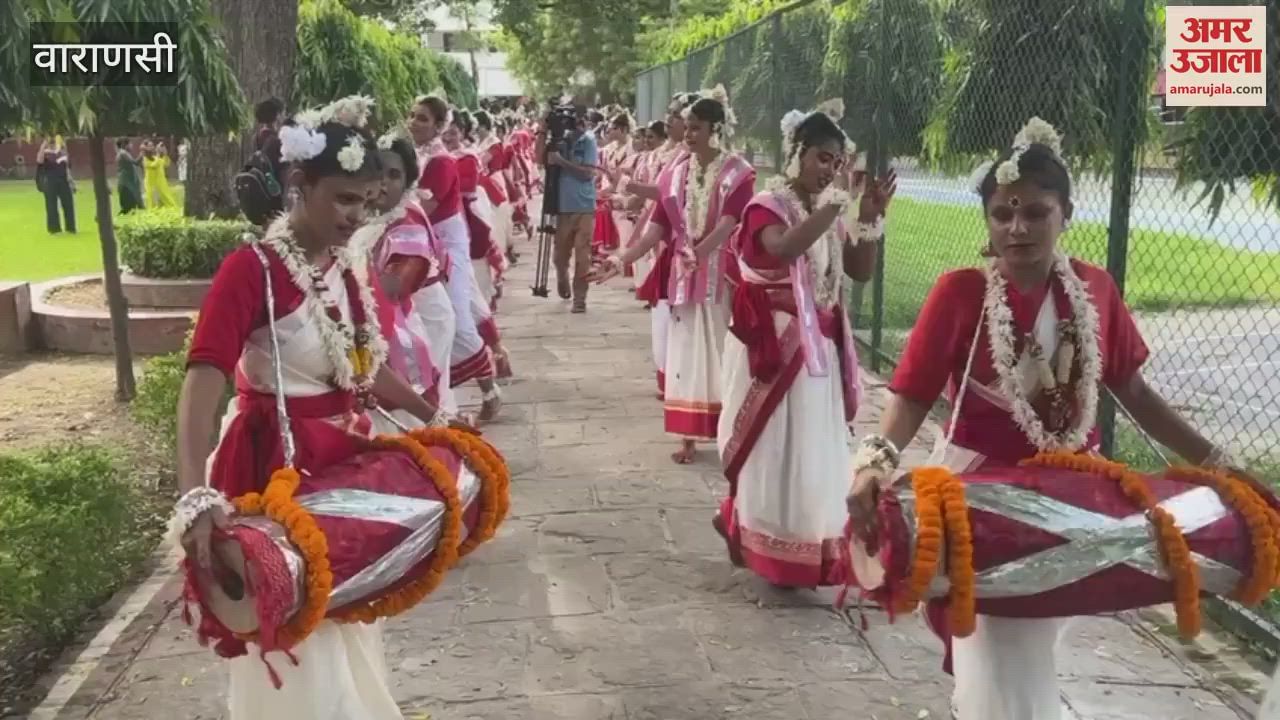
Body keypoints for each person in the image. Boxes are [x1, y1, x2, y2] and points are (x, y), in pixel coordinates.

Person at [845, 117, 1249, 720]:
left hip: (1072, 503)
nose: (1018, 228)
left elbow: (1133, 391)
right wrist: (873, 463)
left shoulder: (1095, 289)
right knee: (1006, 652)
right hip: (980, 501)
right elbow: (910, 398)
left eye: (1036, 212)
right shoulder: (961, 293)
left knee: (1021, 649)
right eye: (1002, 214)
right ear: (987, 222)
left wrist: (1217, 464)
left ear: (1066, 213)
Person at [172, 96, 444, 720]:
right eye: (343, 199)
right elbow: (203, 378)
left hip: (340, 463)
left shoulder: (347, 271)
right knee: (297, 636)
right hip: (274, 469)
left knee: (344, 619)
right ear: (300, 184)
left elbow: (365, 369)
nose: (357, 215)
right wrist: (194, 499)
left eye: (367, 200)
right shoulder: (253, 270)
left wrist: (432, 415)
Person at [713, 101, 895, 586]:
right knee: (774, 446)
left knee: (812, 448)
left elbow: (858, 272)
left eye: (836, 162)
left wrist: (869, 220)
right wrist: (836, 205)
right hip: (776, 347)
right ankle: (761, 538)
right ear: (796, 153)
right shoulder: (766, 206)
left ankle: (806, 544)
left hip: (819, 354)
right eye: (821, 157)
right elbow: (783, 248)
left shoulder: (824, 212)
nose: (829, 169)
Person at [594, 86, 755, 464]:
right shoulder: (676, 170)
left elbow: (732, 221)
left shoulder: (738, 172)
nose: (687, 134)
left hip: (723, 277)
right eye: (688, 127)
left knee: (724, 351)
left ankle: (733, 426)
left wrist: (699, 252)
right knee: (684, 351)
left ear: (716, 129)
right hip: (685, 278)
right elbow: (659, 227)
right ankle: (688, 434)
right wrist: (622, 259)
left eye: (696, 127)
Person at [408, 95, 503, 422]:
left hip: (444, 246)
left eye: (422, 118)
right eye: (412, 116)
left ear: (438, 126)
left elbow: (423, 210)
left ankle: (490, 388)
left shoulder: (441, 162)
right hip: (421, 243)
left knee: (456, 319)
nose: (414, 123)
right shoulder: (416, 156)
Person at [355, 127, 453, 429]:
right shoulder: (363, 217)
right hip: (377, 327)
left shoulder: (406, 222)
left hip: (406, 330)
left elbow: (394, 287)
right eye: (378, 173)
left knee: (408, 419)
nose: (384, 184)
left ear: (408, 182)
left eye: (394, 176)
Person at [442, 109, 513, 378]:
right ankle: (494, 354)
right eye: (445, 128)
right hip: (442, 233)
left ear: (463, 131)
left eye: (454, 129)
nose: (449, 134)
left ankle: (487, 360)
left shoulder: (466, 158)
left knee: (469, 297)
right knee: (468, 299)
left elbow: (460, 194)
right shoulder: (432, 156)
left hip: (461, 229)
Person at [541, 106, 598, 313]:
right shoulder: (559, 141)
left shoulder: (589, 141)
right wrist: (542, 128)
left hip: (584, 206)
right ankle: (563, 280)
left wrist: (562, 162)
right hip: (562, 207)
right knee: (559, 257)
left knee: (583, 256)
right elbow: (540, 159)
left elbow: (588, 173)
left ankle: (580, 298)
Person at [36, 135, 75, 234]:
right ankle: (54, 228)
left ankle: (70, 227)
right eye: (51, 142)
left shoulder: (61, 152)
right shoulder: (45, 153)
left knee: (68, 204)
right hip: (50, 180)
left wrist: (64, 147)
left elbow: (68, 165)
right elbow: (39, 161)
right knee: (51, 205)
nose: (53, 143)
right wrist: (43, 146)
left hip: (63, 180)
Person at [142, 138, 178, 208]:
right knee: (153, 203)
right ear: (145, 148)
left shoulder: (155, 157)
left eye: (152, 145)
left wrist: (165, 154)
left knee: (167, 200)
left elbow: (166, 164)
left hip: (161, 183)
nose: (152, 147)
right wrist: (158, 154)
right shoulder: (145, 159)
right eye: (150, 146)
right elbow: (154, 165)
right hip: (151, 184)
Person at [115, 138, 144, 215]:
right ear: (124, 145)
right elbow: (135, 162)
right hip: (126, 181)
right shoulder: (123, 153)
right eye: (130, 144)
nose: (132, 146)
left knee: (129, 200)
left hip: (127, 180)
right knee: (131, 198)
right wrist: (142, 154)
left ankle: (130, 211)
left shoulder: (123, 153)